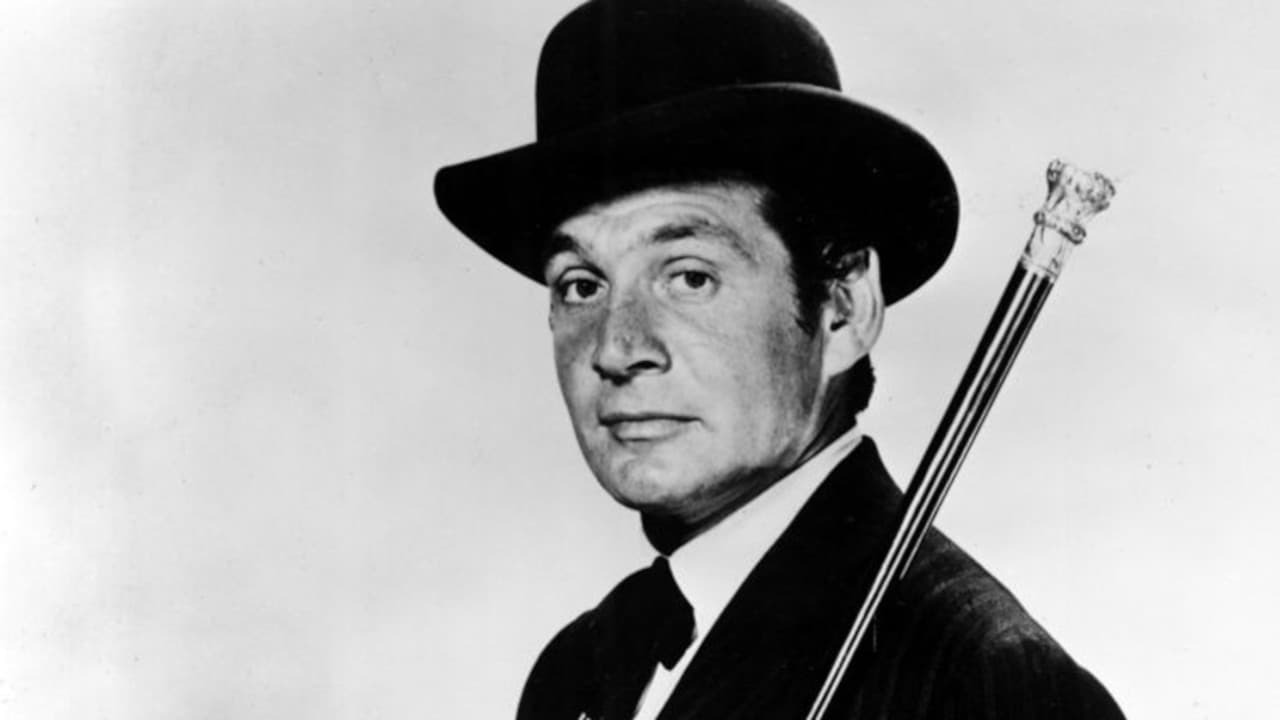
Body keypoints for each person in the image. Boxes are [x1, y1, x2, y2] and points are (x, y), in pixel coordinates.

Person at [435, 0, 1126, 717]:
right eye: (582, 285)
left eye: (690, 278)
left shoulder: (984, 679)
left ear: (843, 309)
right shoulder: (577, 669)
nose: (616, 348)